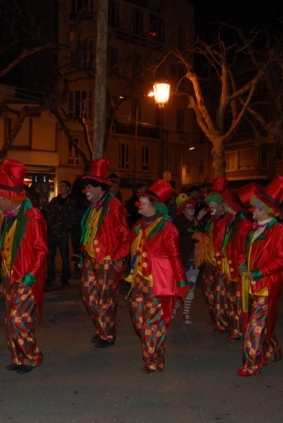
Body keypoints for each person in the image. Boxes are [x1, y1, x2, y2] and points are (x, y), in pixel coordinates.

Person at [0, 160, 48, 373]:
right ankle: (19, 358)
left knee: (17, 318)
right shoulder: (9, 217)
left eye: (1, 197)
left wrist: (31, 276)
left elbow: (41, 250)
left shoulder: (33, 217)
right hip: (10, 277)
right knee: (10, 320)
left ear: (12, 198)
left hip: (26, 277)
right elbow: (3, 245)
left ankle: (32, 356)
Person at [124, 180, 187, 373]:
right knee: (138, 320)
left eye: (143, 201)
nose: (139, 204)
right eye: (140, 200)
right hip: (137, 282)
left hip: (157, 281)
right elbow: (129, 251)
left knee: (153, 323)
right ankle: (155, 350)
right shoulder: (136, 225)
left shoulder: (168, 228)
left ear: (155, 206)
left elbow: (176, 257)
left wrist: (182, 282)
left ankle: (153, 361)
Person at [237, 176, 283, 376]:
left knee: (255, 325)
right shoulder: (253, 231)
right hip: (251, 284)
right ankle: (273, 352)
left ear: (268, 210)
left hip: (267, 285)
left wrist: (259, 272)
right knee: (262, 322)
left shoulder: (279, 231)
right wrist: (242, 264)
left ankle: (251, 364)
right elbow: (244, 251)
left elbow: (282, 260)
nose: (252, 211)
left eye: (257, 209)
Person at [79, 159, 130, 348]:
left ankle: (107, 335)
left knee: (107, 298)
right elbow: (88, 232)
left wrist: (118, 258)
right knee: (86, 293)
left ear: (100, 187)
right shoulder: (92, 207)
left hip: (108, 259)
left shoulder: (115, 206)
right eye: (85, 187)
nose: (86, 190)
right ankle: (102, 326)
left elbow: (126, 235)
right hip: (91, 258)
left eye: (89, 186)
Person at [220, 188, 253, 341]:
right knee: (231, 300)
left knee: (239, 301)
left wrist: (241, 264)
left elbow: (245, 248)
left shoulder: (244, 224)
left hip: (237, 270)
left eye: (226, 203)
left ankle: (240, 329)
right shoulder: (231, 221)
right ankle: (234, 326)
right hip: (229, 267)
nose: (224, 205)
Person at [173, 193, 207, 323]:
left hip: (195, 261)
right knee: (180, 288)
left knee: (191, 288)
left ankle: (186, 312)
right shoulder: (178, 221)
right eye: (187, 206)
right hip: (182, 261)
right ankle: (176, 307)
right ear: (182, 209)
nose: (191, 208)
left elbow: (203, 234)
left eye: (192, 205)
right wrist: (197, 219)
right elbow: (188, 231)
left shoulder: (200, 221)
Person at [200, 176, 230, 331]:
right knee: (207, 291)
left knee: (219, 294)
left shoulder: (227, 221)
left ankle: (222, 323)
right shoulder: (211, 221)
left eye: (214, 204)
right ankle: (216, 317)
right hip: (208, 262)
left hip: (220, 263)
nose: (211, 206)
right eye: (209, 204)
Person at [44, 180, 77, 287]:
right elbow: (47, 212)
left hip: (63, 234)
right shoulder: (54, 201)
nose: (61, 187)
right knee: (50, 257)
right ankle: (50, 278)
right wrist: (50, 225)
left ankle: (65, 278)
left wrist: (66, 228)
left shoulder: (72, 202)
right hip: (52, 233)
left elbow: (74, 217)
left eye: (63, 186)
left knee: (65, 257)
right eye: (60, 185)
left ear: (68, 188)